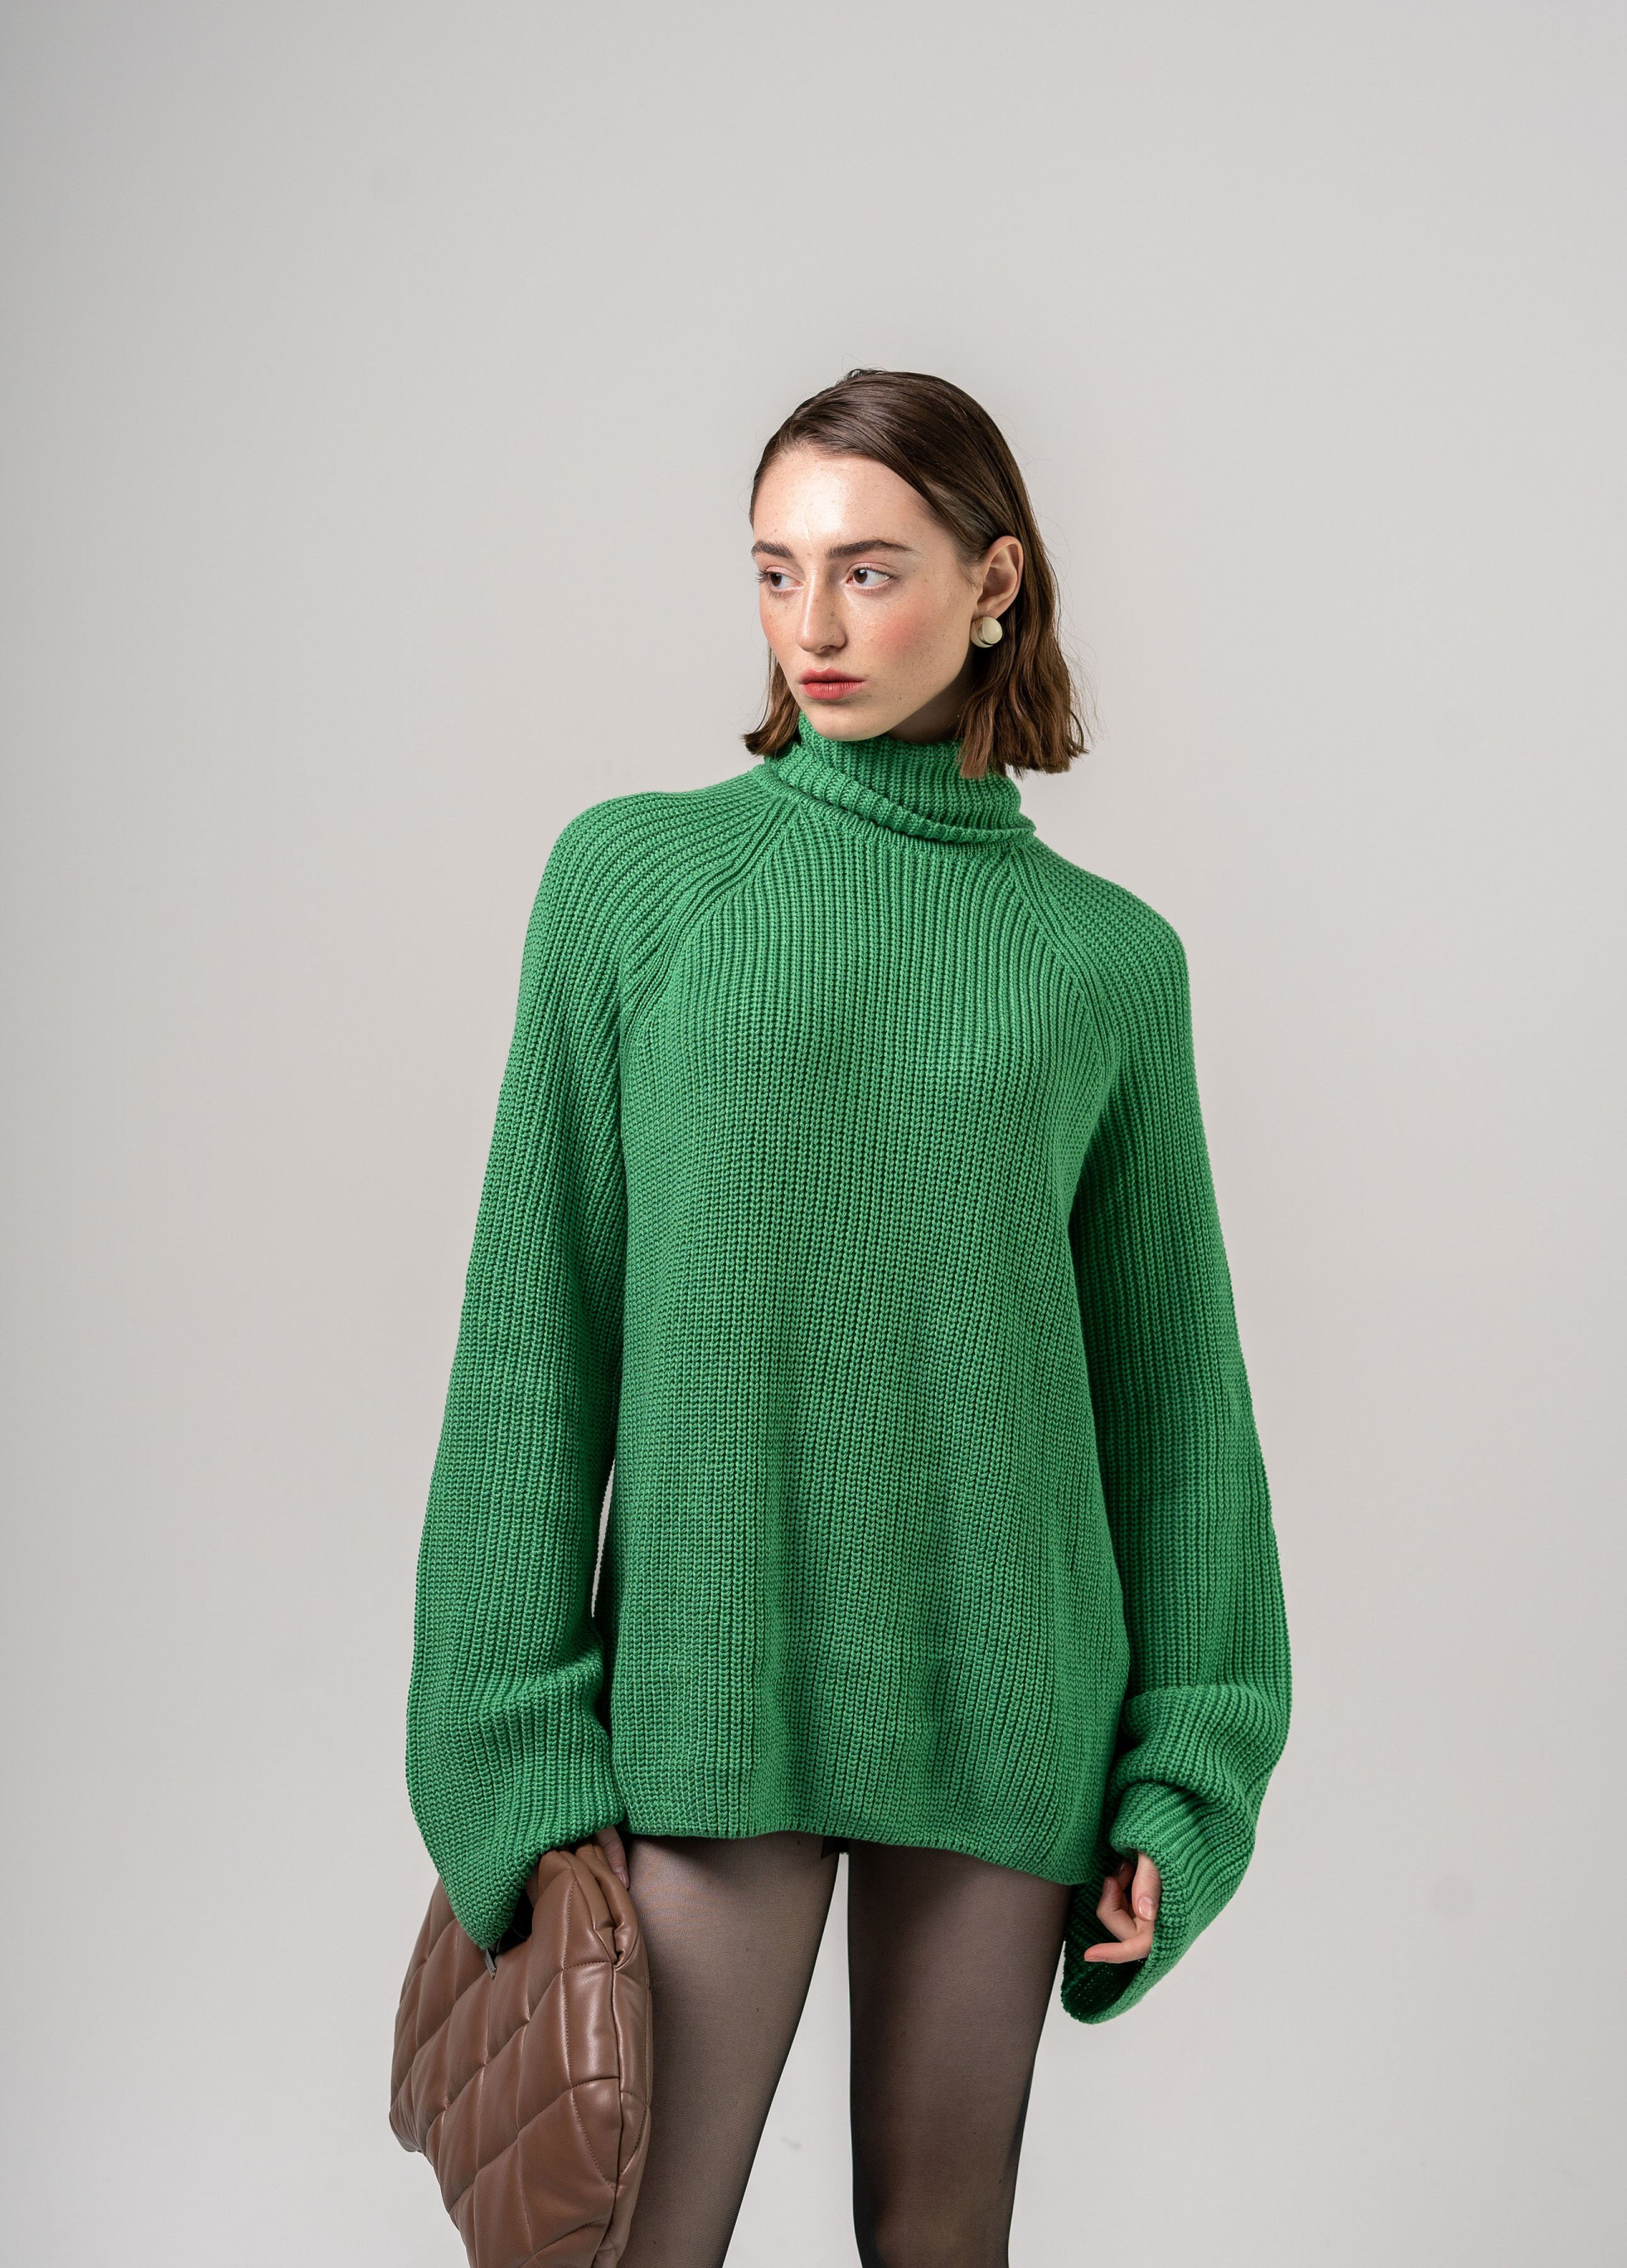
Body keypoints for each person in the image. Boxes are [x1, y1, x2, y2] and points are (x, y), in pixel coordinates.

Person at [404, 368, 1291, 2266]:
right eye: (773, 570)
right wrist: (506, 1740)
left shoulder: (1107, 965)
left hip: (1009, 1687)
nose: (810, 623)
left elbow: (1171, 1401)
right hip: (713, 1685)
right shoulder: (634, 884)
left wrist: (1184, 1775)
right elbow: (531, 1339)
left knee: (938, 2244)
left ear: (992, 585)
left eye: (867, 571)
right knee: (639, 2237)